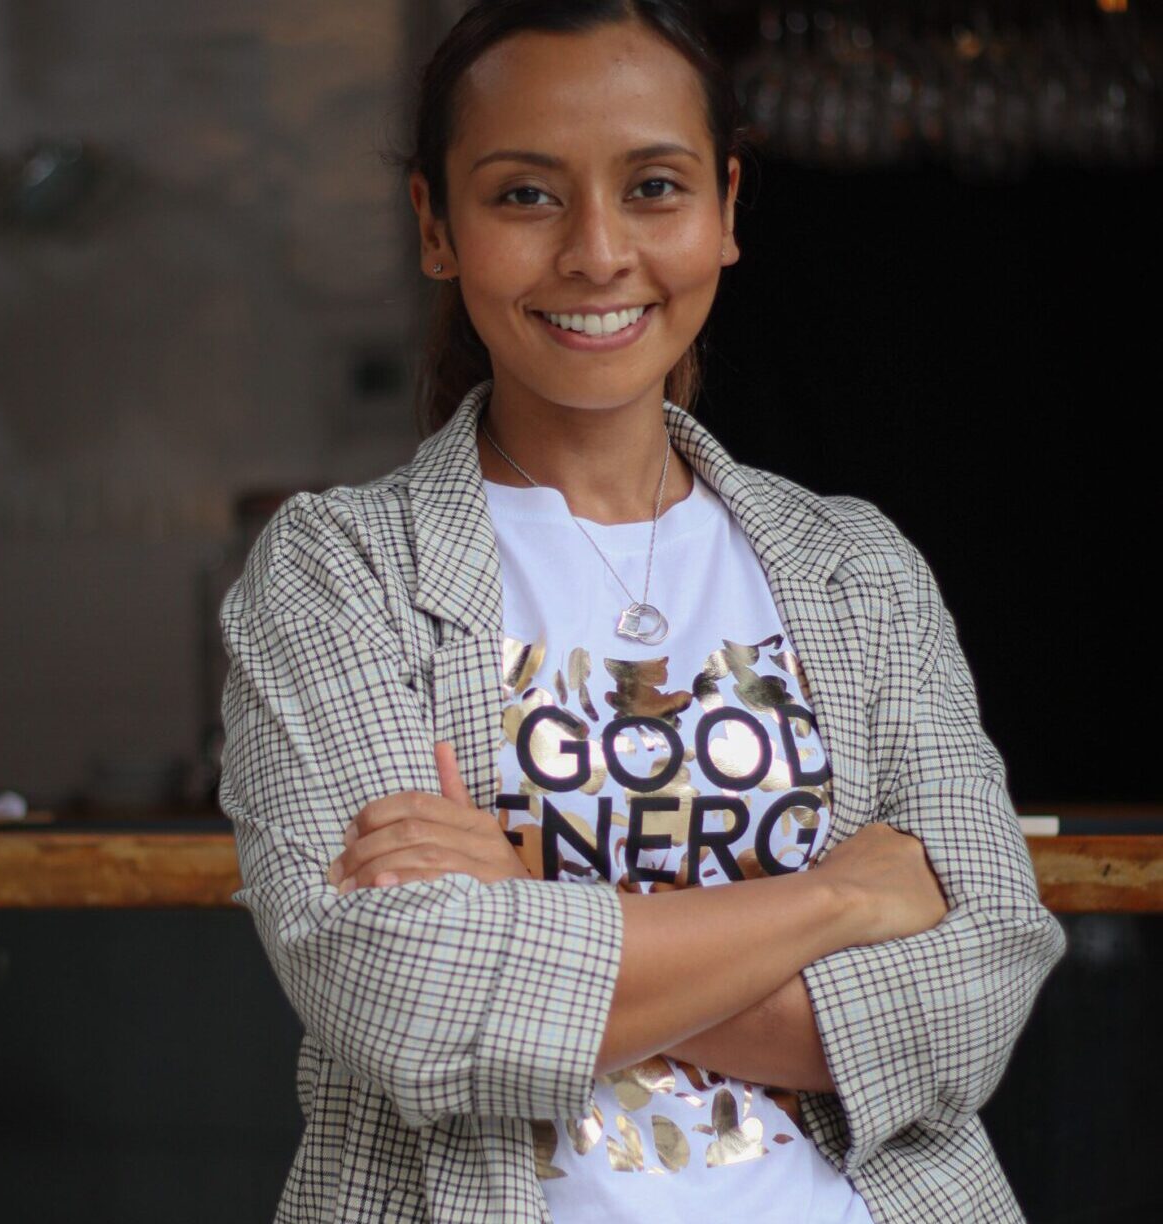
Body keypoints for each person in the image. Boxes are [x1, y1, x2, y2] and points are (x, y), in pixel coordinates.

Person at [218, 2, 1067, 1221]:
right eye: (525, 196)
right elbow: (411, 1002)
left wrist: (526, 904)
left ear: (724, 210)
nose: (598, 252)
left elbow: (971, 1003)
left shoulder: (859, 568)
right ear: (434, 225)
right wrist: (835, 899)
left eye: (654, 187)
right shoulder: (337, 573)